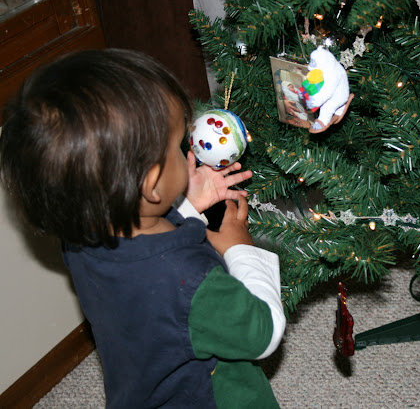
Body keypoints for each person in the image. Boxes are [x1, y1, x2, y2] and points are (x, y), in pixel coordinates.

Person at [0, 49, 285, 408]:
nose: (186, 154)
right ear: (152, 184)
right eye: (176, 147)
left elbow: (146, 245)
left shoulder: (81, 239)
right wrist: (239, 248)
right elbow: (263, 334)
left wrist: (188, 206)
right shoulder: (191, 280)